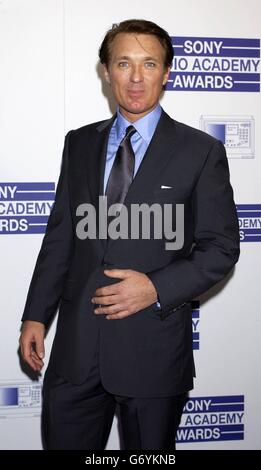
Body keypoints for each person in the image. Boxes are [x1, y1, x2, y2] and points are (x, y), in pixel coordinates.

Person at [19, 19, 240, 450]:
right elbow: (61, 238)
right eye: (124, 63)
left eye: (149, 64)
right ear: (106, 72)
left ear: (167, 72)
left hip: (152, 356)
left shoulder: (202, 151)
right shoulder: (78, 143)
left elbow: (221, 248)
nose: (136, 77)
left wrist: (155, 287)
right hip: (76, 355)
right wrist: (36, 314)